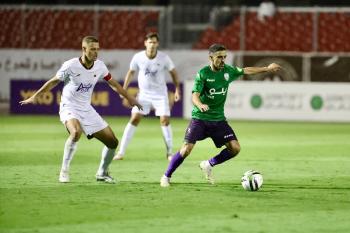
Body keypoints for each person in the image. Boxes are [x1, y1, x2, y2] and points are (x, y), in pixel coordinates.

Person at [19, 36, 142, 184]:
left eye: (97, 49)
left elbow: (114, 84)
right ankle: (64, 171)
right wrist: (35, 97)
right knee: (76, 132)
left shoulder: (100, 66)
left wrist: (131, 98)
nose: (96, 53)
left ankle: (102, 173)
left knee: (113, 142)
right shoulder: (70, 65)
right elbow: (53, 82)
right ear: (84, 49)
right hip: (68, 107)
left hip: (86, 110)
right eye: (92, 49)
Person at [160, 44, 281, 187]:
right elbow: (194, 95)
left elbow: (245, 70)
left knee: (235, 148)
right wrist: (200, 105)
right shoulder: (203, 73)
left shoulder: (228, 71)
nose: (223, 60)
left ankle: (208, 164)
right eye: (219, 57)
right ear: (211, 58)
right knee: (186, 149)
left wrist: (266, 68)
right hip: (200, 118)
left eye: (225, 57)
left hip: (218, 120)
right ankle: (166, 176)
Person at [113, 32, 181, 161]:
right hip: (144, 95)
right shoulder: (138, 57)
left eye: (154, 42)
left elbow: (173, 72)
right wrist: (124, 89)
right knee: (134, 119)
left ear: (158, 44)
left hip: (160, 95)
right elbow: (131, 72)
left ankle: (169, 153)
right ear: (145, 43)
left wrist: (177, 89)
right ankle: (121, 152)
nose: (152, 45)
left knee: (165, 120)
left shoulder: (164, 58)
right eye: (150, 42)